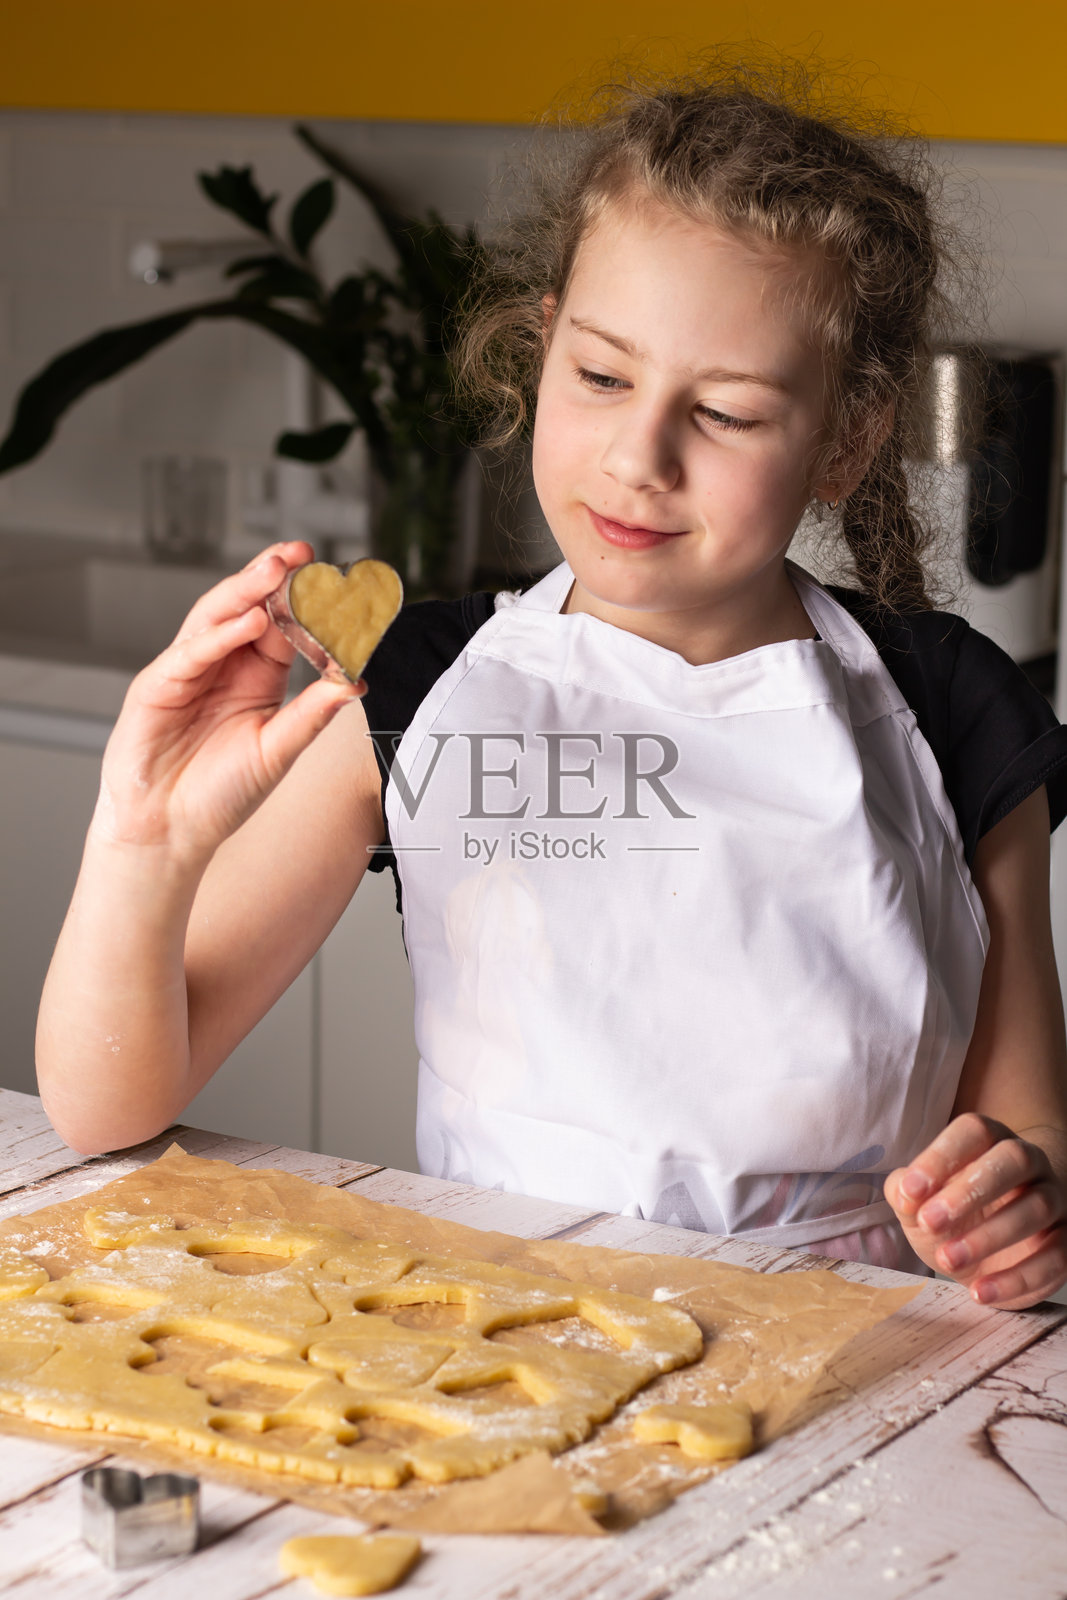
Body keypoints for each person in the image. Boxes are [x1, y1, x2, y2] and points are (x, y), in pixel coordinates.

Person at [36, 66, 1067, 1311]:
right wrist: (145, 836)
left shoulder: (954, 715)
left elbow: (1028, 1139)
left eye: (727, 412)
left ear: (844, 439)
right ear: (540, 351)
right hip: (498, 1350)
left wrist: (1015, 1202)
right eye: (600, 376)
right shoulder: (420, 692)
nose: (640, 457)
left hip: (854, 1392)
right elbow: (108, 1104)